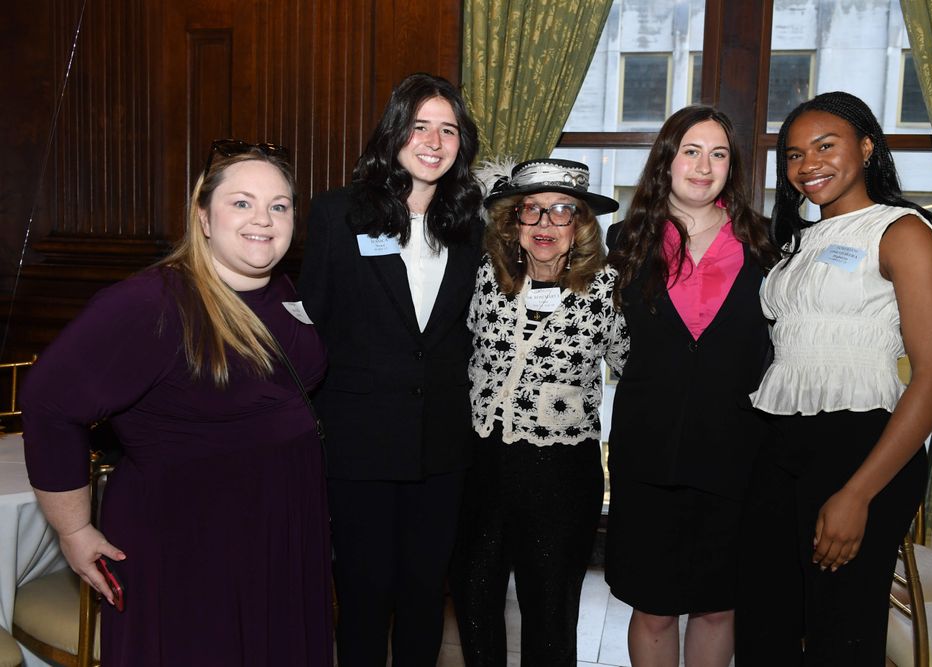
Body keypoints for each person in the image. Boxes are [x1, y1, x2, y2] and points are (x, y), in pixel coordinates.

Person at [21, 140, 333, 666]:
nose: (263, 219)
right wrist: (73, 530)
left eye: (279, 206)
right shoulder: (152, 303)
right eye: (242, 202)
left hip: (281, 534)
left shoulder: (279, 289)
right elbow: (49, 402)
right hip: (190, 545)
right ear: (203, 217)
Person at [737, 91, 932, 666]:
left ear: (866, 147)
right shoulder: (797, 242)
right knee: (763, 625)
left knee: (840, 634)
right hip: (779, 439)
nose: (807, 164)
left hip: (861, 443)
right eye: (794, 154)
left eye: (825, 146)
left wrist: (858, 493)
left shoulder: (900, 230)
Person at [296, 72, 483, 666]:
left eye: (447, 130)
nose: (433, 141)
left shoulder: (470, 226)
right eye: (420, 126)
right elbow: (310, 325)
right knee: (363, 594)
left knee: (426, 595)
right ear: (394, 132)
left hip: (442, 445)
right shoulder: (338, 214)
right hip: (359, 443)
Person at [603, 105, 780, 667]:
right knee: (653, 608)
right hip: (647, 453)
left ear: (732, 167)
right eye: (692, 152)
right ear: (667, 160)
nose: (704, 167)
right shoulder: (625, 240)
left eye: (719, 154)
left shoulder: (766, 242)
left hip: (736, 453)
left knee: (717, 607)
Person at [448, 158, 627, 665]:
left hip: (561, 474)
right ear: (514, 222)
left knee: (549, 610)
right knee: (474, 593)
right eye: (532, 210)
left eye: (561, 210)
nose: (546, 223)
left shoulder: (608, 290)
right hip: (482, 465)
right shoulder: (486, 277)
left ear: (581, 224)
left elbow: (637, 367)